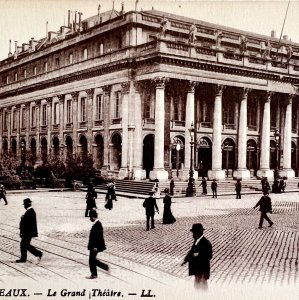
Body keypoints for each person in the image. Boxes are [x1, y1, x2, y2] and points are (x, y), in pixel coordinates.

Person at [181, 223, 213, 290]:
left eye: (194, 232)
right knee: (197, 286)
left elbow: (209, 256)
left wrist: (198, 255)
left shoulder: (206, 243)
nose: (193, 235)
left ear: (199, 233)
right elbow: (192, 251)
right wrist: (185, 260)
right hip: (197, 269)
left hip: (203, 270)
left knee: (203, 287)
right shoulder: (196, 241)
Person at [16, 198, 43, 263]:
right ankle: (23, 258)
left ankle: (38, 253)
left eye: (24, 205)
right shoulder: (30, 211)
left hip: (28, 232)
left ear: (26, 205)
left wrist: (22, 218)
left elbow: (27, 223)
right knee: (24, 244)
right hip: (27, 232)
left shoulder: (30, 212)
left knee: (25, 244)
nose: (24, 206)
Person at [86, 209, 109, 279]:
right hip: (94, 246)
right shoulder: (97, 224)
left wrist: (95, 246)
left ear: (93, 217)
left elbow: (97, 237)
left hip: (95, 246)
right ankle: (104, 267)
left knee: (91, 260)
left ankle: (94, 274)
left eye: (90, 217)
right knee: (92, 259)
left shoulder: (98, 225)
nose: (90, 219)